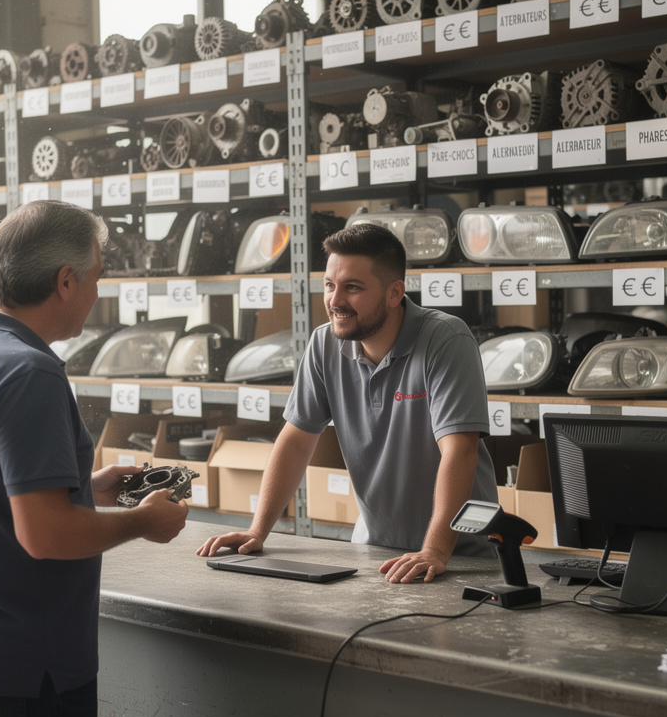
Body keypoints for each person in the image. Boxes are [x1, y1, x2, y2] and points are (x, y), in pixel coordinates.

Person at [0, 199, 188, 717]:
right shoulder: (29, 372)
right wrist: (144, 522)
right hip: (26, 668)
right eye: (96, 277)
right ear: (65, 281)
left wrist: (87, 488)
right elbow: (43, 534)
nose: (97, 293)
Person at [198, 222, 498, 583]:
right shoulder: (324, 344)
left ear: (394, 293)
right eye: (329, 285)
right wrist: (257, 531)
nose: (335, 301)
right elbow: (295, 442)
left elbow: (459, 452)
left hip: (459, 558)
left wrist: (435, 550)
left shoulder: (446, 340)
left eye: (352, 287)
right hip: (376, 553)